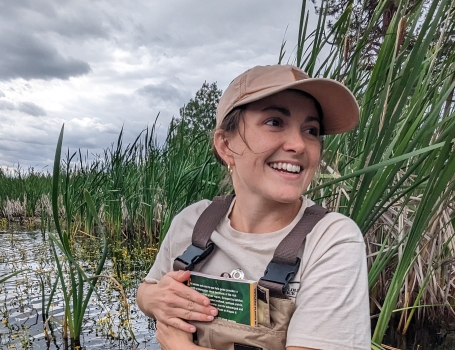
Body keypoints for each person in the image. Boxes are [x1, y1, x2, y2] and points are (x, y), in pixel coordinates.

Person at [136, 64, 371, 350]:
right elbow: (148, 289)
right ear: (225, 145)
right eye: (275, 122)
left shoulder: (331, 239)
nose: (299, 144)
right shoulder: (193, 220)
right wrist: (152, 299)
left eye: (311, 130)